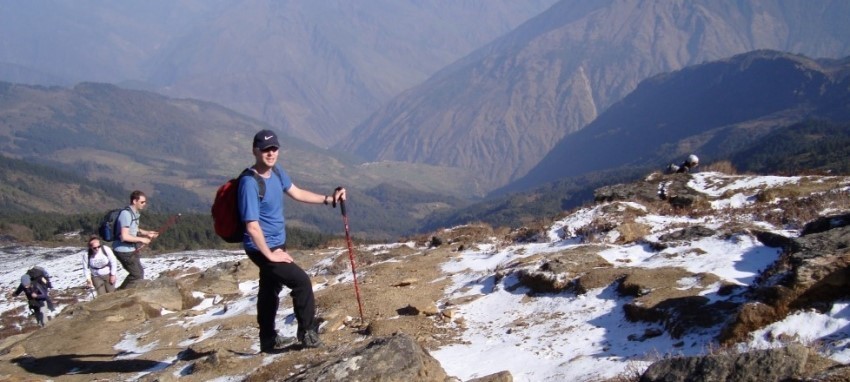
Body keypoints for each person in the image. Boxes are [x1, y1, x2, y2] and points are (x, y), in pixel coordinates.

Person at [239, 129, 346, 353]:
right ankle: (306, 333)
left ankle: (268, 339)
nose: (271, 153)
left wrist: (329, 200)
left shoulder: (276, 173)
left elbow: (297, 193)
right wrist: (269, 254)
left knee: (270, 288)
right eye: (266, 149)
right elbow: (251, 226)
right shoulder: (250, 182)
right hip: (261, 247)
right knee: (301, 282)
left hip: (276, 244)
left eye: (274, 148)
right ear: (255, 151)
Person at [112, 190, 159, 289]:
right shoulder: (126, 214)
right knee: (136, 275)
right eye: (142, 202)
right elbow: (124, 236)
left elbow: (133, 229)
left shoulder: (133, 214)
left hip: (130, 249)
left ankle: (123, 293)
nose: (144, 204)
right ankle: (121, 295)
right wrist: (142, 240)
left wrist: (147, 233)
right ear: (134, 201)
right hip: (124, 250)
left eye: (145, 202)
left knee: (138, 273)